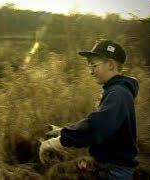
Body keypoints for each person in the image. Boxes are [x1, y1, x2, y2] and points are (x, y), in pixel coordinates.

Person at [39, 39, 139, 179]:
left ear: (110, 65)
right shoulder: (115, 91)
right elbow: (100, 123)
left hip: (115, 172)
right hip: (108, 165)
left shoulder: (118, 94)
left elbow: (97, 127)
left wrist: (58, 141)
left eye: (93, 65)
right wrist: (62, 130)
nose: (91, 72)